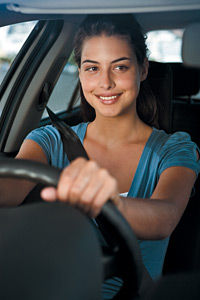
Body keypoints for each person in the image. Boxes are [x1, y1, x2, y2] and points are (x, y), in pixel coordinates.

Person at [0, 14, 200, 299]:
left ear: (142, 69)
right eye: (92, 68)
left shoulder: (175, 149)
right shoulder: (50, 139)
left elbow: (164, 216)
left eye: (119, 66)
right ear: (79, 72)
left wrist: (109, 203)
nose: (105, 82)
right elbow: (9, 187)